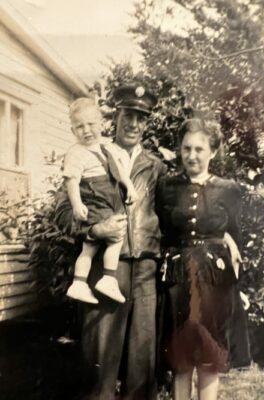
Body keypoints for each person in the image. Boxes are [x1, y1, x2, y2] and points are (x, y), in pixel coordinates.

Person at [55, 83, 166, 400]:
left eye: (141, 118)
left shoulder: (156, 167)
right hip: (106, 268)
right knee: (100, 360)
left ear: (147, 123)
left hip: (145, 269)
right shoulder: (89, 156)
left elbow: (173, 217)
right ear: (114, 118)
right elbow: (63, 212)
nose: (134, 124)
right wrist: (93, 231)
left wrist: (224, 233)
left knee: (142, 362)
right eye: (128, 115)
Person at [156, 117, 251, 400]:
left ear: (212, 151)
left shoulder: (229, 189)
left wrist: (237, 285)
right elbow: (161, 231)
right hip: (177, 278)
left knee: (210, 357)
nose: (192, 155)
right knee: (181, 359)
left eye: (199, 149)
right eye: (186, 148)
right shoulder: (167, 187)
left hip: (214, 280)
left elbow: (235, 237)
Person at [62, 97, 138, 304]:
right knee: (108, 239)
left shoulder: (107, 148)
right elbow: (72, 180)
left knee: (93, 244)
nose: (86, 130)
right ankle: (106, 278)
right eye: (79, 127)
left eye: (91, 124)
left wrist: (129, 187)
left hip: (110, 199)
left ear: (102, 124)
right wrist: (77, 204)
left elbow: (119, 172)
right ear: (72, 131)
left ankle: (80, 282)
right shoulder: (76, 152)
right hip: (95, 198)